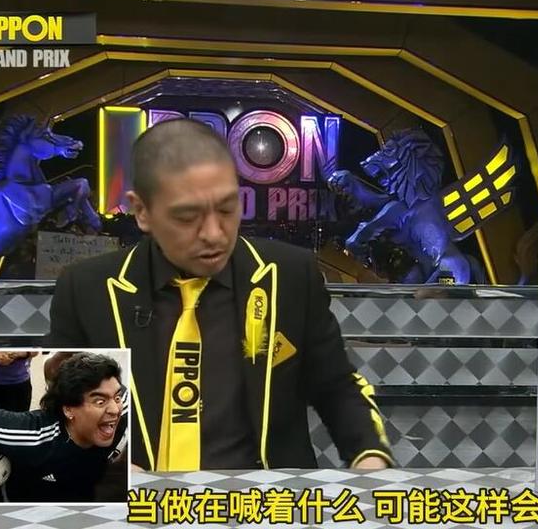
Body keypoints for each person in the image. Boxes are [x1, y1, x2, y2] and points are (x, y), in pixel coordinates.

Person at [46, 118, 392, 472]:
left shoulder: (289, 276)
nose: (214, 234)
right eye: (187, 217)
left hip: (263, 499)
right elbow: (61, 407)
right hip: (139, 501)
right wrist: (107, 466)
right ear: (142, 212)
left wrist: (370, 456)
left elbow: (336, 386)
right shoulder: (87, 289)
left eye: (227, 209)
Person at [0, 352, 128, 502]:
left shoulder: (123, 413)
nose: (114, 409)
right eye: (100, 401)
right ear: (68, 409)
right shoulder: (32, 434)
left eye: (117, 397)